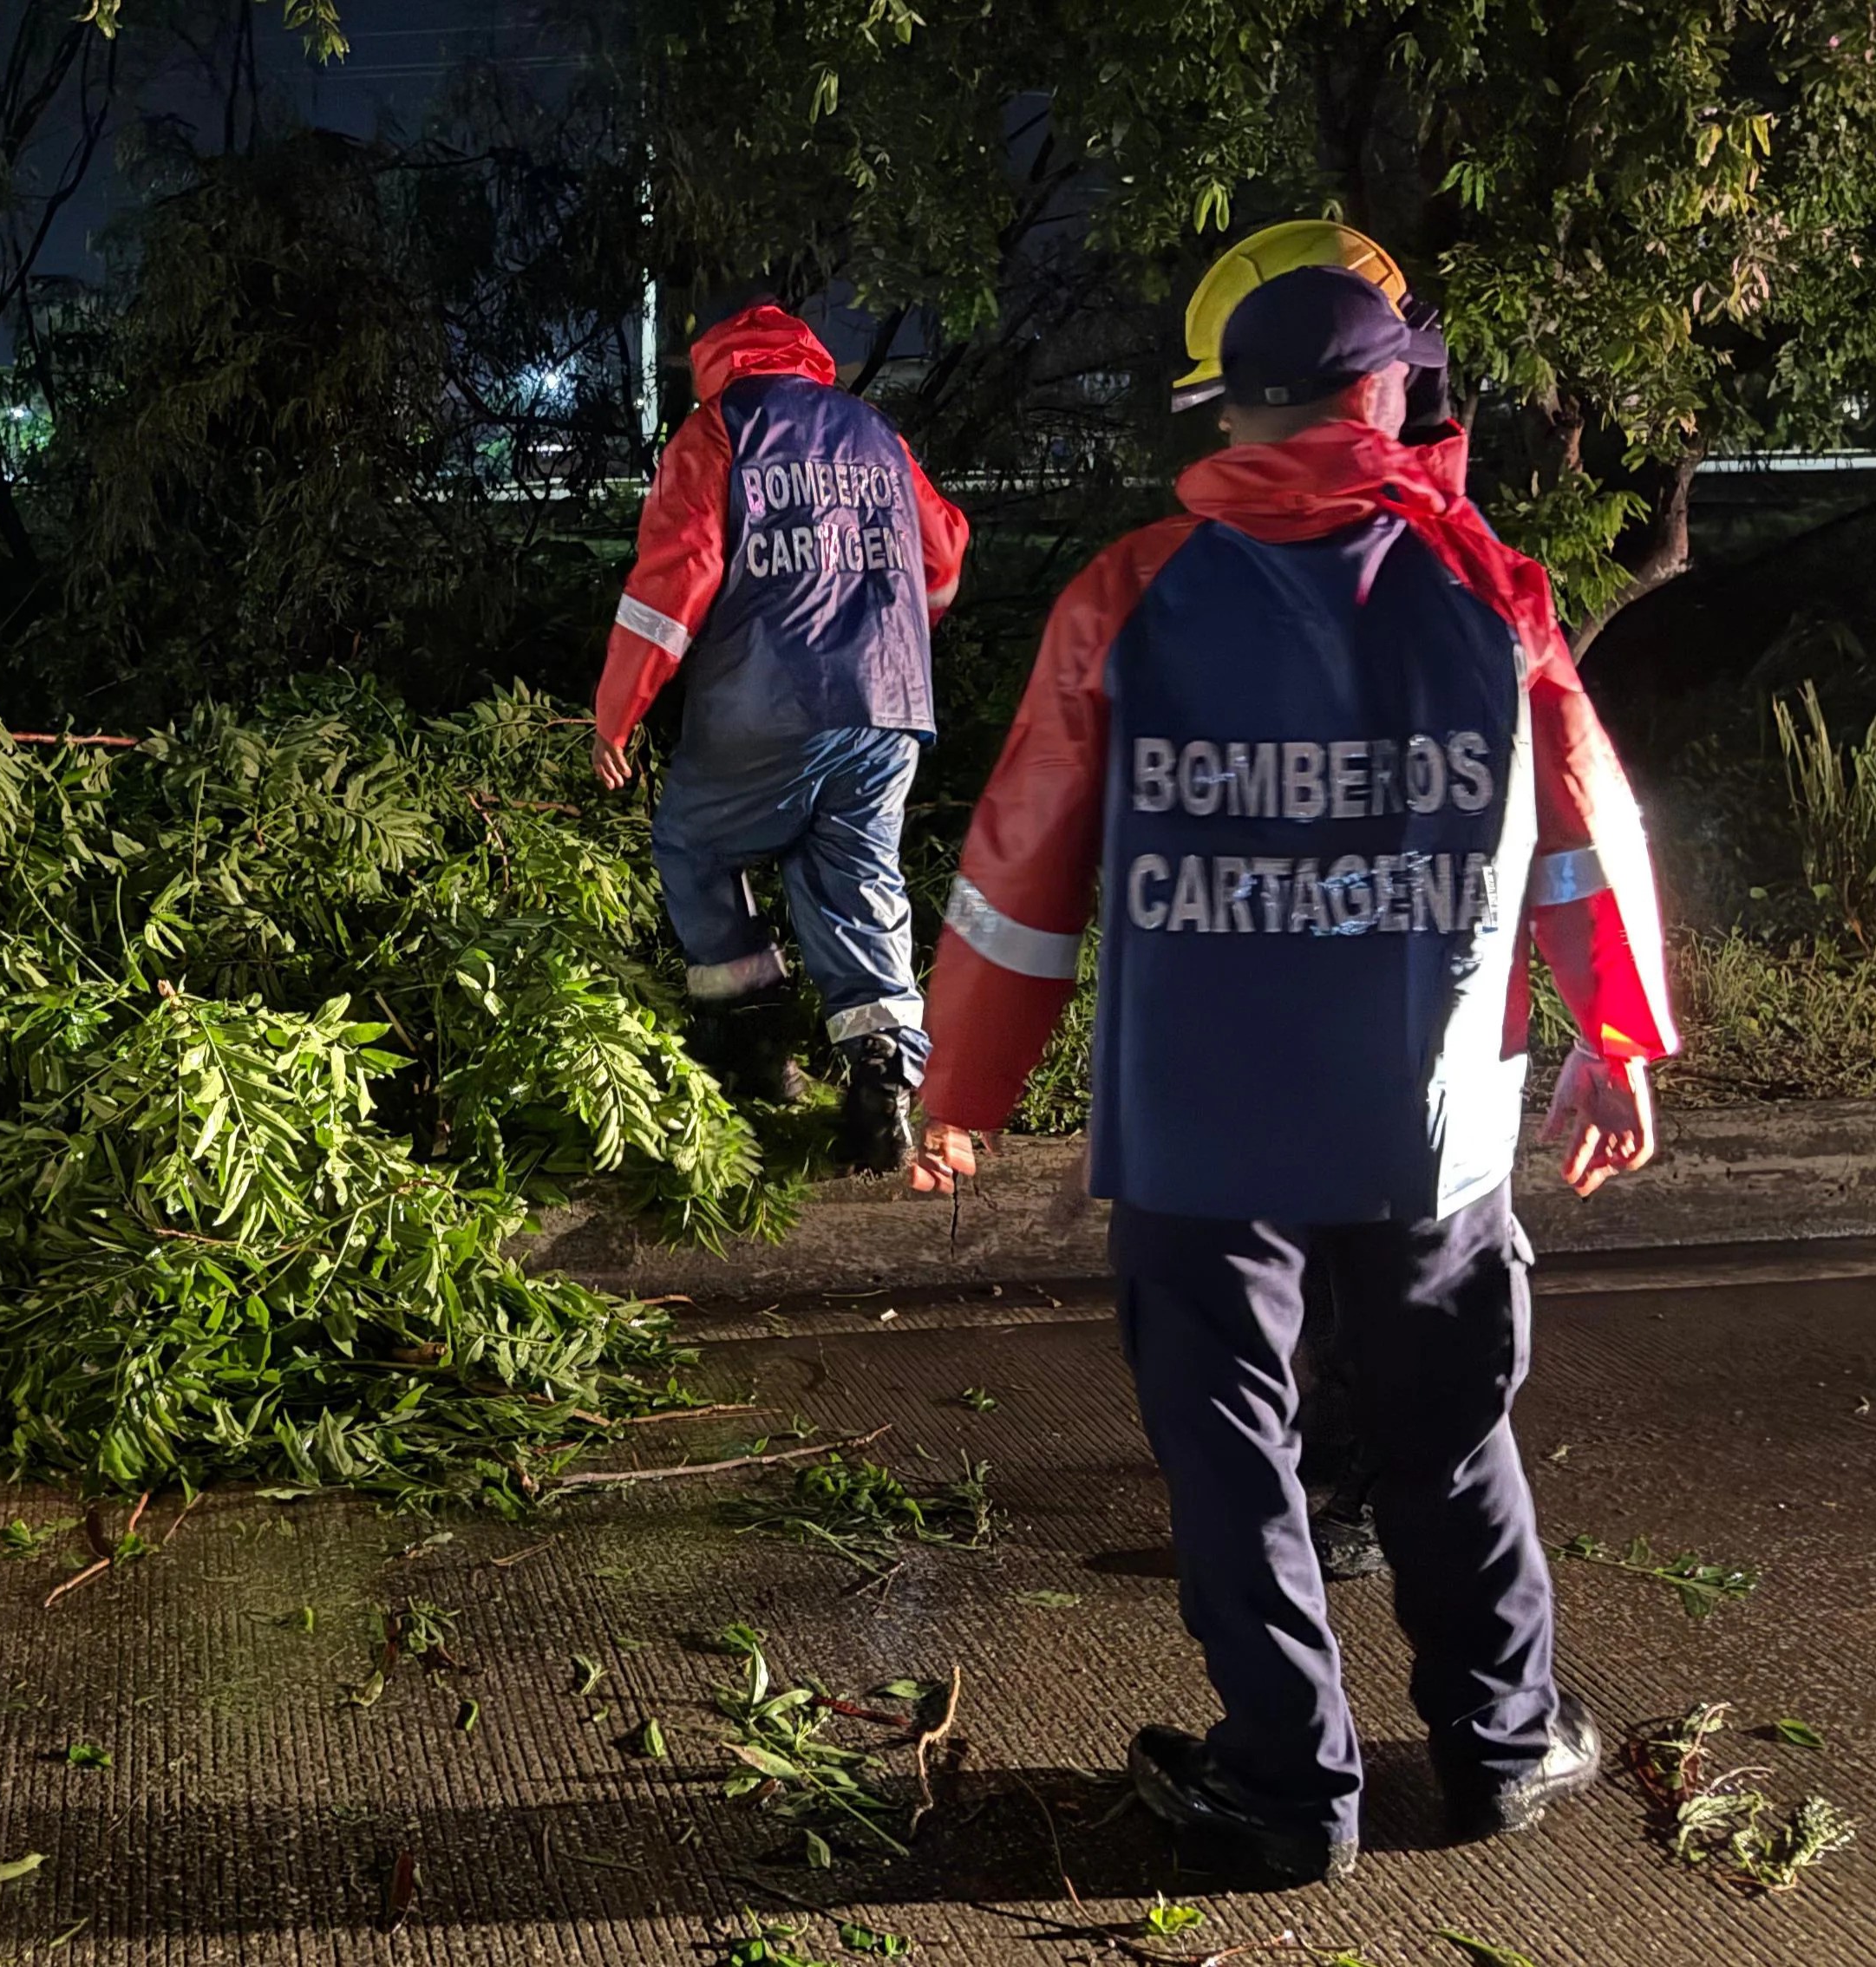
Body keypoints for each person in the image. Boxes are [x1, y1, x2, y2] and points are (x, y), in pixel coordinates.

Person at [905, 258, 1679, 1882]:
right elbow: (1580, 838)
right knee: (1447, 1431)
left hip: (1202, 1121)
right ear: (1384, 398)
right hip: (1428, 1117)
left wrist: (962, 1084)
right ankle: (1500, 1740)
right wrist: (1611, 1035)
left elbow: (1025, 853)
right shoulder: (1490, 587)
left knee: (1230, 1447)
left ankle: (1285, 1784)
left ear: (1234, 408)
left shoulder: (1132, 586)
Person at [592, 293, 971, 1173]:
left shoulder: (718, 430)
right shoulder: (872, 430)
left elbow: (674, 581)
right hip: (885, 708)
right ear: (806, 358)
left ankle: (757, 1046)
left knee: (692, 843)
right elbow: (944, 555)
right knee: (855, 877)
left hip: (764, 707)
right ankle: (884, 1093)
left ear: (717, 365)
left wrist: (619, 713)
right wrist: (899, 635)